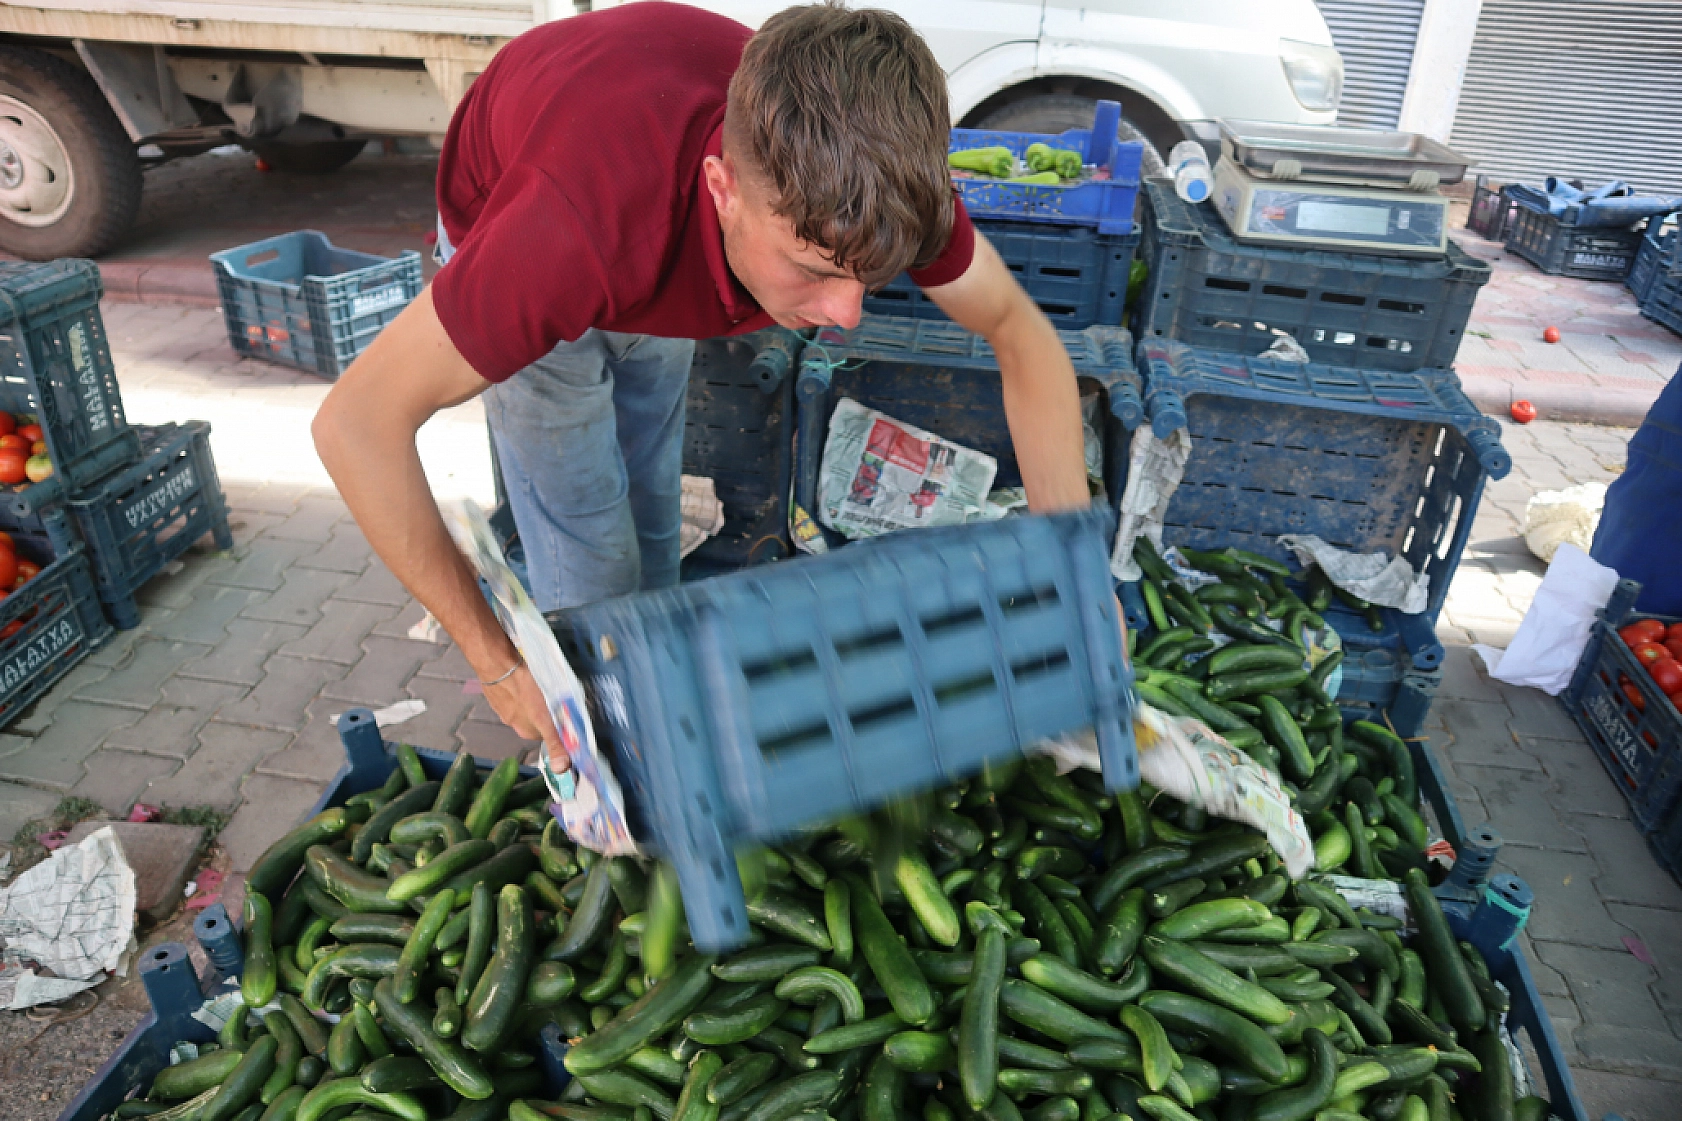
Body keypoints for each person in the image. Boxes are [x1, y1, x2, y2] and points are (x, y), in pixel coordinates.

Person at [312, 1, 1095, 766]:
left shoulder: (872, 185)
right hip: (526, 203)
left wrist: (1073, 581)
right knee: (591, 561)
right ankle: (605, 766)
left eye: (871, 277)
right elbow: (355, 426)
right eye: (813, 271)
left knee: (655, 520)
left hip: (640, 209)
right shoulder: (568, 236)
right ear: (723, 189)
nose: (846, 313)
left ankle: (650, 706)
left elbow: (1021, 333)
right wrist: (498, 664)